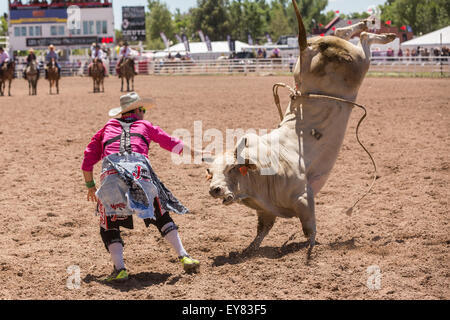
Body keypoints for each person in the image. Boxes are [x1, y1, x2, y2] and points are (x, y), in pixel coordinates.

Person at [81, 92, 200, 282]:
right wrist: (197, 154)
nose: (144, 113)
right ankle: (183, 255)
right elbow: (170, 142)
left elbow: (87, 159)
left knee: (109, 223)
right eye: (143, 109)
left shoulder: (107, 127)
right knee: (161, 213)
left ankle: (120, 269)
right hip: (140, 173)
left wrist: (90, 186)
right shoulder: (145, 126)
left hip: (111, 174)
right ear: (137, 110)